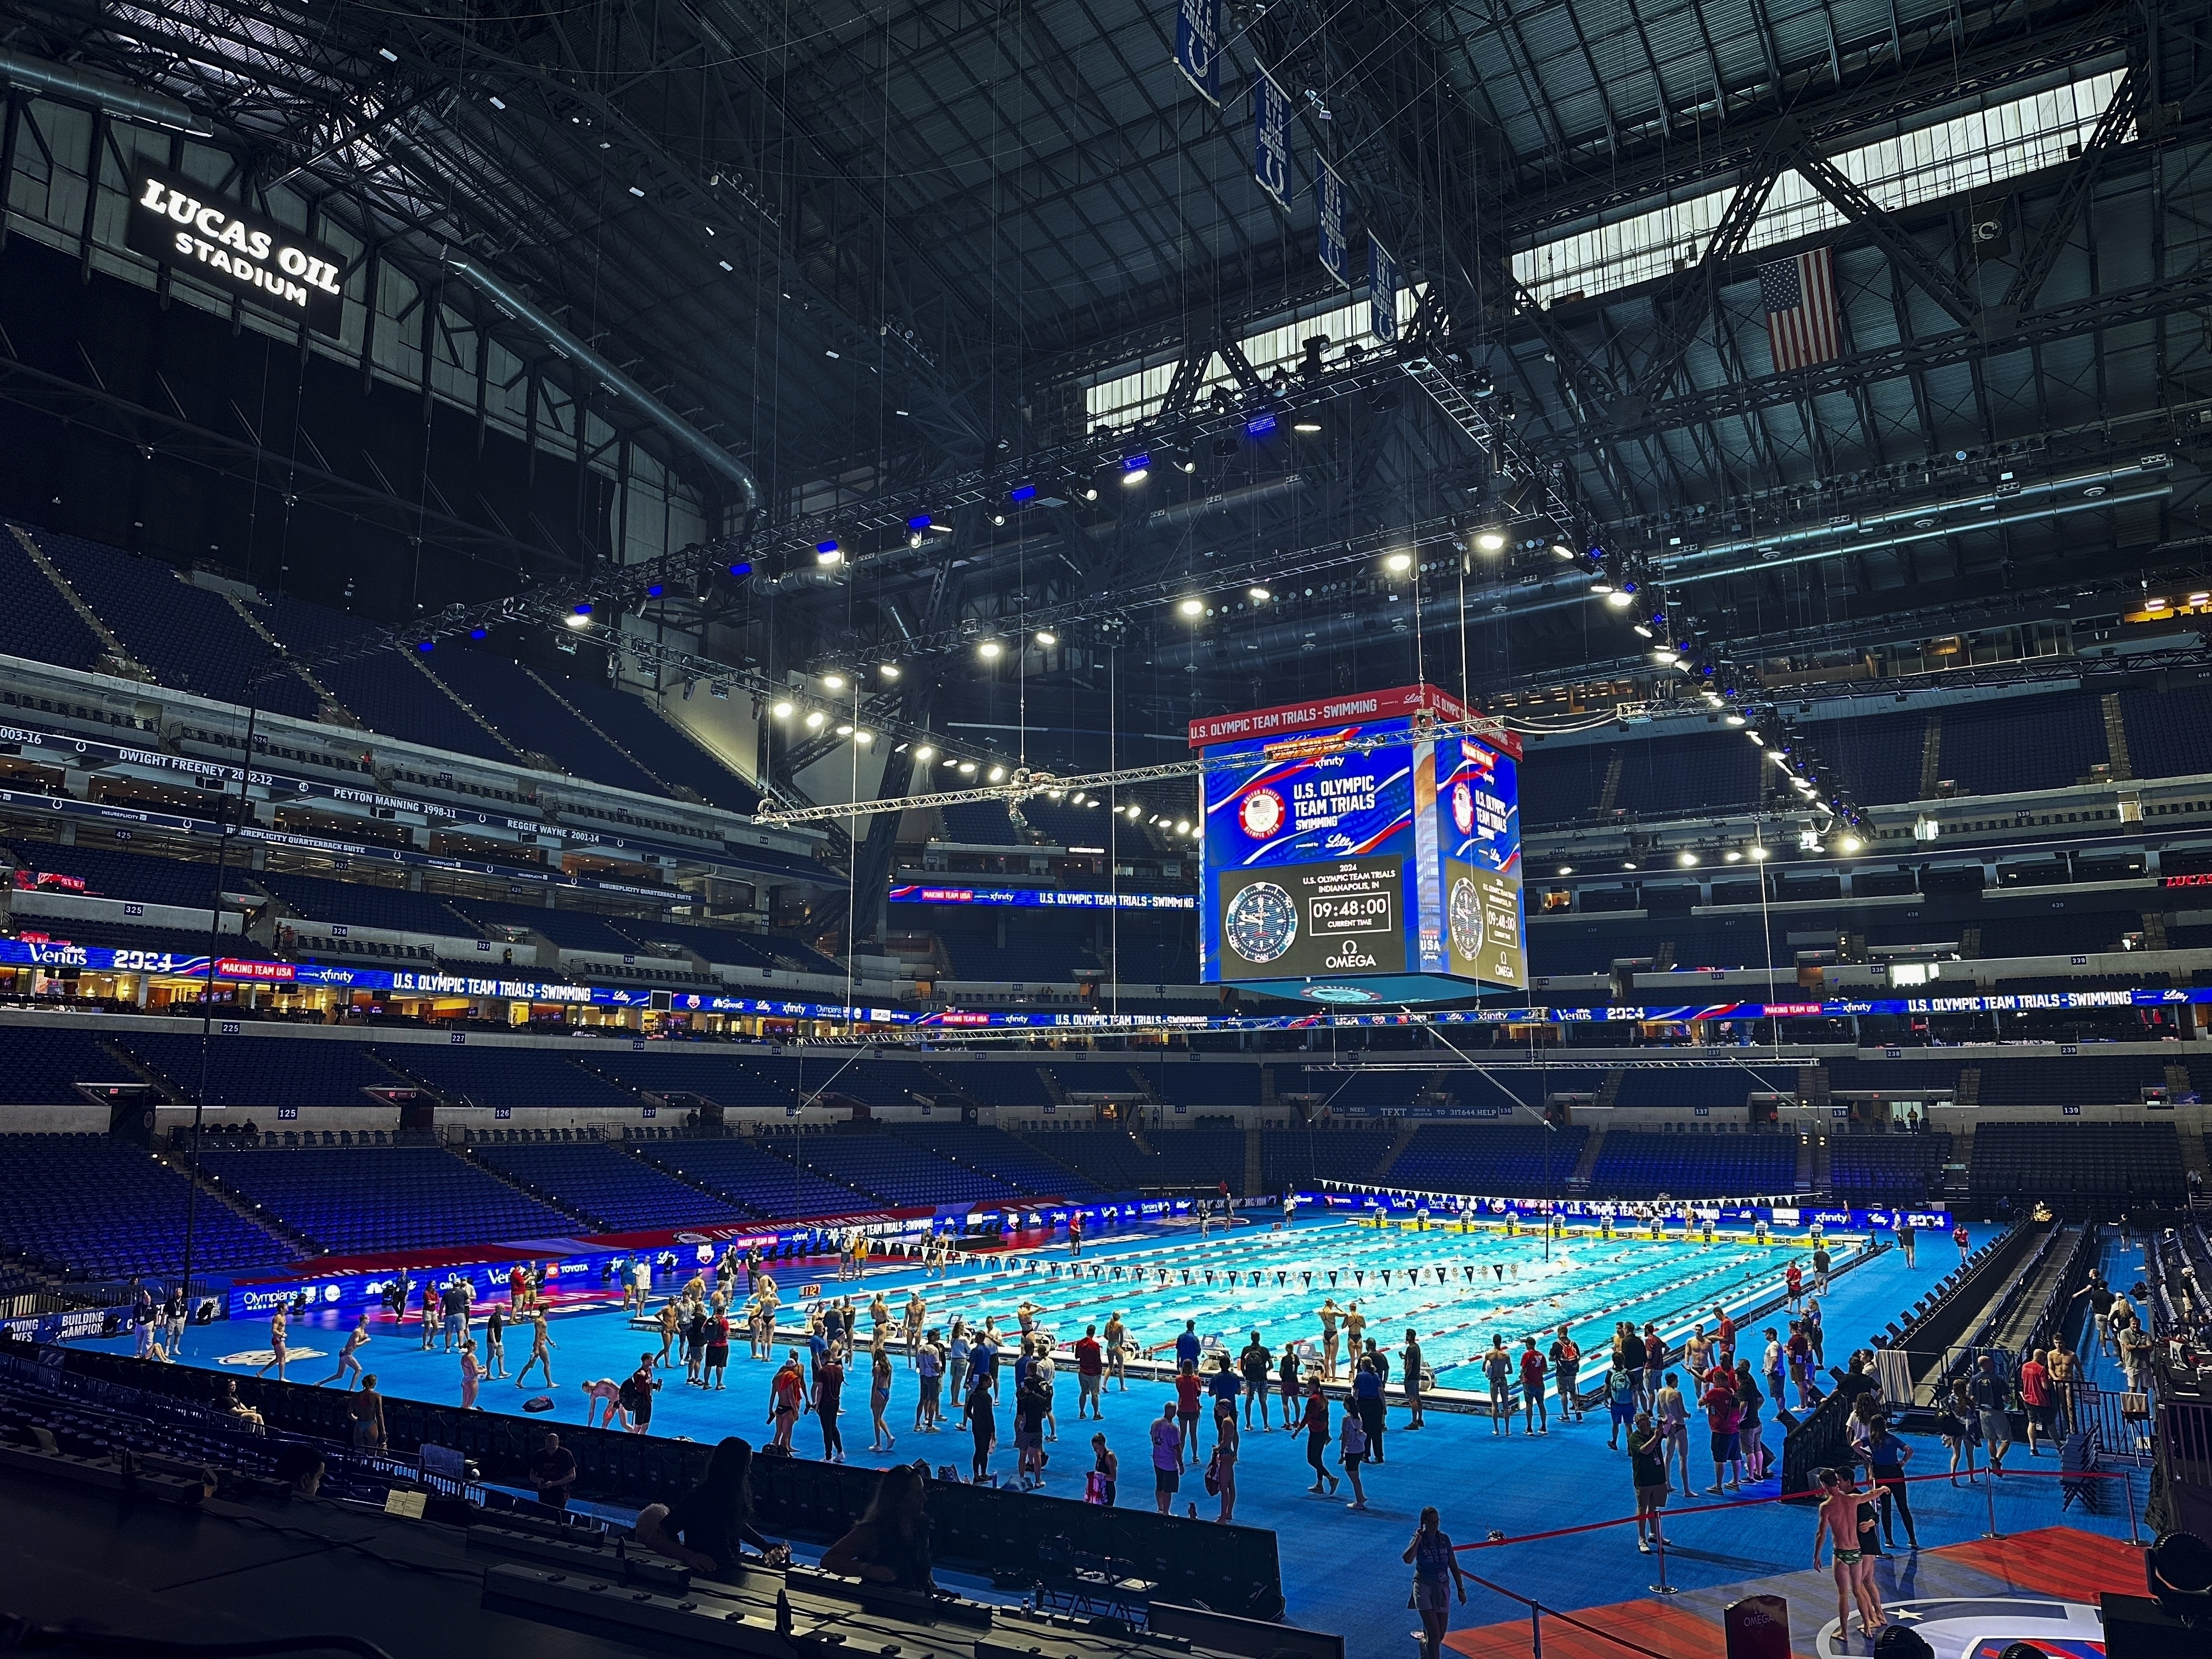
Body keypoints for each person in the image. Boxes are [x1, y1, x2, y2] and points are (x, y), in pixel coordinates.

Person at [821, 1464, 934, 1590]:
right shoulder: (874, 1530)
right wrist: (867, 1570)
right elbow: (829, 1560)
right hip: (883, 1603)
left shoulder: (920, 1525)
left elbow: (922, 1566)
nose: (924, 1498)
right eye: (917, 1494)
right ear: (898, 1498)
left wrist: (933, 1590)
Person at [1812, 1467, 1886, 1641]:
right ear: (1836, 1483)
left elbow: (1821, 1534)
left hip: (1841, 1553)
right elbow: (1870, 1495)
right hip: (1856, 1551)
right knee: (1859, 1589)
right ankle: (1868, 1626)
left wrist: (1817, 1556)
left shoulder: (1826, 1506)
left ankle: (1844, 1633)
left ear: (1824, 1484)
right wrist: (1883, 1490)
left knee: (1843, 1594)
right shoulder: (1852, 1499)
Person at [1404, 1506, 1468, 1659]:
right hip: (1423, 1586)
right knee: (1434, 1634)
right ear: (1424, 1522)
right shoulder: (1419, 1539)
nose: (1435, 1525)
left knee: (1440, 1635)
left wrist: (1461, 1589)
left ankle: (1424, 1646)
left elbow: (1453, 1566)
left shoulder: (1444, 1539)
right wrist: (1418, 1540)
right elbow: (1407, 1559)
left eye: (1437, 1522)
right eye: (1431, 1522)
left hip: (1442, 1587)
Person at [1865, 1417, 1918, 1550]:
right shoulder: (1892, 1439)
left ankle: (1889, 1539)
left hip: (1881, 1476)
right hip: (1895, 1474)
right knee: (1903, 1507)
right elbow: (1909, 1450)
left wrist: (1866, 1456)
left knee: (1886, 1508)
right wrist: (1903, 1462)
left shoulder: (1871, 1440)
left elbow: (1855, 1445)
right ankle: (1912, 1538)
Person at [1628, 1410, 1669, 1554]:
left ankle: (1654, 1534)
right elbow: (1646, 1451)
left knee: (1653, 1507)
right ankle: (1642, 1538)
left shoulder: (1654, 1432)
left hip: (1658, 1477)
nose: (1647, 1421)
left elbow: (1672, 1431)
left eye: (1647, 1418)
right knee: (1642, 1508)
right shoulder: (1635, 1437)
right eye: (1643, 1420)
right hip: (1643, 1479)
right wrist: (1657, 1437)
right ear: (1638, 1424)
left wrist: (1668, 1421)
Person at [1701, 1367, 1742, 1493]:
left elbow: (1700, 1402)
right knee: (1736, 1457)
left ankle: (1718, 1486)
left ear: (1717, 1381)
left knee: (1719, 1459)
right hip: (1734, 1429)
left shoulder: (1715, 1392)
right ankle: (1735, 1482)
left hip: (1720, 1431)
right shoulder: (1731, 1391)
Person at [1970, 1353, 2011, 1475]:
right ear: (1986, 1364)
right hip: (1997, 1412)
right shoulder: (1998, 1379)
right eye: (1991, 1362)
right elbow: (2005, 1398)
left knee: (1991, 1440)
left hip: (1983, 1412)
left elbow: (1973, 1398)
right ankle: (1997, 1460)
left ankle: (1995, 1466)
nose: (1993, 1364)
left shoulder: (1974, 1379)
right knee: (2006, 1439)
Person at [1300, 1383, 1338, 1494]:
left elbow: (1307, 1417)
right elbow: (1327, 1417)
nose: (1308, 1387)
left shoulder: (1313, 1400)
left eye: (1309, 1385)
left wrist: (1298, 1430)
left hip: (1315, 1432)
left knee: (1312, 1460)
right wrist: (1327, 1433)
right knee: (1318, 1459)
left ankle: (1331, 1479)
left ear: (1313, 1386)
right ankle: (1320, 1485)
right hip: (1323, 1431)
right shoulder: (1324, 1398)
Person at [1655, 1371, 1690, 1487]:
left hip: (1668, 1424)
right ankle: (1686, 1490)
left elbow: (1660, 1411)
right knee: (1683, 1458)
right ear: (1674, 1381)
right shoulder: (1676, 1394)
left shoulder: (1660, 1392)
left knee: (1668, 1456)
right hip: (1679, 1425)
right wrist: (1689, 1415)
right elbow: (1683, 1413)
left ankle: (1667, 1485)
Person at [1942, 1377, 1980, 1482]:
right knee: (1970, 1455)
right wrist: (1974, 1435)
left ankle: (1953, 1475)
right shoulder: (1969, 1403)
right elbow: (1972, 1420)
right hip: (1966, 1431)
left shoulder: (1947, 1400)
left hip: (1955, 1431)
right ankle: (1971, 1478)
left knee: (1956, 1454)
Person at [967, 1349, 996, 1482]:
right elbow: (989, 1415)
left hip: (976, 1426)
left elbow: (968, 1411)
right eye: (990, 1381)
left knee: (978, 1450)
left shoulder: (974, 1394)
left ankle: (977, 1474)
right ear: (984, 1383)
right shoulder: (987, 1397)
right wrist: (993, 1430)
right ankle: (982, 1474)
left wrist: (974, 1418)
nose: (991, 1383)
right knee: (983, 1452)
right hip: (984, 1427)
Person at [2019, 1349, 2056, 1455]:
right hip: (2041, 1401)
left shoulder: (2025, 1366)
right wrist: (2050, 1380)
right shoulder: (2041, 1369)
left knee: (2032, 1422)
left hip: (2029, 1400)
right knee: (2050, 1423)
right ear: (2040, 1358)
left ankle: (2033, 1448)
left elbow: (2024, 1381)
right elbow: (2046, 1387)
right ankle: (2059, 1445)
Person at [767, 1350, 805, 1451]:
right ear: (793, 1367)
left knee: (778, 1433)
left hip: (779, 1408)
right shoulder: (790, 1378)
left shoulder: (776, 1378)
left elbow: (773, 1396)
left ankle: (774, 1451)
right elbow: (791, 1397)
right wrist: (796, 1411)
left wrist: (771, 1409)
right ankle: (785, 1454)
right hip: (788, 1409)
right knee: (786, 1434)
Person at [529, 1430, 577, 1510]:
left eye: (553, 1447)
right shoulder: (539, 1454)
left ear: (558, 1443)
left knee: (558, 1514)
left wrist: (555, 1483)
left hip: (560, 1493)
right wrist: (538, 1480)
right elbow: (531, 1475)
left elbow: (572, 1476)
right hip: (544, 1493)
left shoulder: (566, 1454)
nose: (550, 1450)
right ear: (545, 1442)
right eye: (548, 1447)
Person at [815, 1346, 848, 1462]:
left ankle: (828, 1457)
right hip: (835, 1402)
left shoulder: (823, 1371)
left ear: (824, 1359)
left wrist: (817, 1405)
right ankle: (840, 1451)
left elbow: (820, 1390)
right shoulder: (839, 1370)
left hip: (826, 1403)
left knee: (827, 1430)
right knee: (833, 1426)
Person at [1150, 1399, 1183, 1513]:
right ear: (1174, 1412)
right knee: (1167, 1491)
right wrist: (1181, 1464)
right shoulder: (1173, 1428)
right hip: (1169, 1464)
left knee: (1159, 1486)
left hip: (1157, 1460)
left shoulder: (1155, 1423)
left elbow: (1152, 1438)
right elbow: (1176, 1449)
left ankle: (1160, 1508)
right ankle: (1166, 1513)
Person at [1339, 1391, 1370, 1511]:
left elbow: (1345, 1437)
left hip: (1352, 1450)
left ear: (1347, 1405)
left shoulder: (1346, 1419)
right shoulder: (1358, 1417)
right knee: (1350, 1470)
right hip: (1360, 1449)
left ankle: (1360, 1501)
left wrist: (1342, 1453)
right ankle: (1361, 1496)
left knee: (1355, 1477)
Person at [1209, 1403, 1239, 1522]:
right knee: (1231, 1486)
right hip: (1229, 1456)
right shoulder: (1229, 1420)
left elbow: (1225, 1442)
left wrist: (1217, 1449)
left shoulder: (1226, 1422)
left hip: (1225, 1456)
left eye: (1218, 1409)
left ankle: (1223, 1518)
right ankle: (1229, 1513)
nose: (1217, 1411)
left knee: (1223, 1487)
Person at [321, 1317, 370, 1388]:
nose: (369, 1320)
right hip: (346, 1354)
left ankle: (319, 1383)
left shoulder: (362, 1330)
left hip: (344, 1353)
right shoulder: (357, 1331)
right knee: (359, 1370)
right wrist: (366, 1341)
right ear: (363, 1321)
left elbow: (356, 1342)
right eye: (368, 1319)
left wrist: (364, 1338)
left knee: (339, 1375)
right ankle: (351, 1390)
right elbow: (355, 1345)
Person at [1239, 1331, 1272, 1430]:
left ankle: (1248, 1424)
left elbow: (1241, 1367)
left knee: (1248, 1401)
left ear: (1251, 1338)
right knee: (1263, 1402)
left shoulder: (1246, 1350)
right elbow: (1271, 1365)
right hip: (1262, 1381)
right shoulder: (1264, 1350)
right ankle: (1266, 1425)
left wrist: (1246, 1375)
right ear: (1259, 1338)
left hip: (1250, 1380)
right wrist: (1265, 1372)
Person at [622, 1352, 661, 1436]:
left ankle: (642, 1442)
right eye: (651, 1360)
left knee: (645, 1426)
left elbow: (648, 1384)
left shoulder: (649, 1371)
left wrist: (655, 1386)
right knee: (638, 1428)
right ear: (646, 1361)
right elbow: (639, 1389)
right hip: (641, 1404)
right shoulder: (638, 1374)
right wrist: (642, 1378)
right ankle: (633, 1442)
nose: (653, 1361)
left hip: (649, 1402)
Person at [1547, 1326, 1579, 1426]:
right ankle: (1577, 1410)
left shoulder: (1556, 1345)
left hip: (1562, 1373)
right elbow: (1579, 1357)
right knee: (1573, 1391)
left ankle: (1565, 1415)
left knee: (1563, 1393)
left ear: (1559, 1332)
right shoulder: (1574, 1344)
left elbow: (1550, 1359)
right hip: (1573, 1373)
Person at [1173, 1361, 1203, 1466]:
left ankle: (1180, 1457)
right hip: (1193, 1409)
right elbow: (1199, 1393)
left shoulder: (1178, 1379)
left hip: (1182, 1408)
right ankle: (1195, 1457)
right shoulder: (1196, 1379)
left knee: (1182, 1435)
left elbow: (1180, 1392)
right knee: (1193, 1434)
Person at [1482, 1335, 1513, 1437]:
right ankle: (1507, 1431)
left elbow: (1483, 1369)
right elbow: (1511, 1371)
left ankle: (1496, 1430)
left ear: (1493, 1342)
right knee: (1506, 1406)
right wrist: (1503, 1372)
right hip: (1503, 1380)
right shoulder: (1506, 1355)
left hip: (1494, 1380)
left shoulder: (1489, 1355)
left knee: (1494, 1405)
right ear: (1501, 1342)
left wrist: (1490, 1369)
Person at [1519, 1336, 1549, 1436]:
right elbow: (1545, 1370)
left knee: (1529, 1405)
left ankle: (1529, 1428)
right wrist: (1537, 1372)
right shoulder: (1541, 1355)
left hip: (1529, 1384)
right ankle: (1544, 1427)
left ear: (1528, 1345)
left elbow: (1524, 1369)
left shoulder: (1527, 1355)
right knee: (1541, 1404)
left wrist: (1521, 1377)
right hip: (1540, 1383)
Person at [516, 1313, 555, 1389]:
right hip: (540, 1344)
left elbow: (543, 1333)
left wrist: (550, 1341)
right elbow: (537, 1335)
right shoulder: (539, 1321)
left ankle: (519, 1381)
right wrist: (537, 1349)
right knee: (546, 1363)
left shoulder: (543, 1320)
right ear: (545, 1310)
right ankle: (550, 1383)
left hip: (541, 1343)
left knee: (530, 1364)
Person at [1606, 1357, 1637, 1451]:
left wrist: (1605, 1400)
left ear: (1614, 1362)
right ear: (1624, 1361)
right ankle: (1630, 1448)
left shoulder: (1610, 1373)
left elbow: (1606, 1389)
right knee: (1629, 1425)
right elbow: (1637, 1387)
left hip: (1616, 1404)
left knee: (1615, 1424)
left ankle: (1614, 1442)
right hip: (1628, 1403)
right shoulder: (1629, 1373)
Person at [870, 1345, 896, 1453]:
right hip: (886, 1392)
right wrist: (888, 1393)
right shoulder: (889, 1367)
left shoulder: (877, 1369)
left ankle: (879, 1445)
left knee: (876, 1420)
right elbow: (889, 1382)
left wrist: (872, 1399)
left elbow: (875, 1385)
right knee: (880, 1417)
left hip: (879, 1392)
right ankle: (889, 1436)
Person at [347, 1374, 383, 1449]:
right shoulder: (377, 1396)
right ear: (374, 1384)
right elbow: (379, 1414)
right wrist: (383, 1430)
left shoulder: (355, 1396)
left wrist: (357, 1419)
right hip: (371, 1425)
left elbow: (349, 1414)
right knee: (372, 1453)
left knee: (359, 1453)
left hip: (359, 1425)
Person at [1077, 1325, 1107, 1420]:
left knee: (1083, 1392)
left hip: (1082, 1372)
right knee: (1095, 1394)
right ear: (1093, 1333)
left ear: (1087, 1331)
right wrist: (1099, 1372)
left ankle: (1082, 1413)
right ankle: (1096, 1414)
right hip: (1093, 1373)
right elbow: (1097, 1360)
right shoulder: (1095, 1345)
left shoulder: (1079, 1343)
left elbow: (1077, 1356)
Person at [256, 1307, 289, 1381]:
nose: (288, 1307)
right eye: (286, 1306)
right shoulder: (278, 1318)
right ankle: (281, 1378)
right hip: (277, 1340)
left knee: (278, 1359)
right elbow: (274, 1330)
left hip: (280, 1339)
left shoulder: (284, 1316)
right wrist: (282, 1335)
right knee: (282, 1359)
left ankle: (261, 1372)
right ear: (282, 1308)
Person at [1089, 1432, 1118, 1506]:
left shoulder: (1110, 1457)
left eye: (1096, 1448)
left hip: (1108, 1491)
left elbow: (1113, 1478)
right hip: (1100, 1489)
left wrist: (1098, 1476)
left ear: (1102, 1444)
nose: (1094, 1450)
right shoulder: (1099, 1455)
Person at [1278, 1343, 1301, 1430]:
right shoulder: (1297, 1358)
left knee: (1285, 1403)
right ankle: (1297, 1422)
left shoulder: (1285, 1359)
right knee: (1296, 1402)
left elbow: (1281, 1372)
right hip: (1295, 1382)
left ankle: (1288, 1423)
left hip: (1286, 1382)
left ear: (1286, 1349)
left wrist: (1283, 1378)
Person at [460, 1338, 485, 1410]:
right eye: (476, 1345)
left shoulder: (464, 1357)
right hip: (472, 1382)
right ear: (472, 1347)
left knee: (465, 1405)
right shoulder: (472, 1358)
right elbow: (476, 1372)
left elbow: (468, 1367)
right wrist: (484, 1371)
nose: (477, 1346)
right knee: (468, 1406)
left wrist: (478, 1367)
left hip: (465, 1380)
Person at [485, 1305, 507, 1379]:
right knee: (491, 1357)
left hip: (499, 1341)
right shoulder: (493, 1318)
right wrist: (494, 1342)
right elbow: (491, 1331)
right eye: (503, 1309)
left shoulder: (499, 1317)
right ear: (498, 1309)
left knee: (501, 1355)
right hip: (492, 1342)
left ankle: (501, 1372)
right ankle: (488, 1375)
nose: (504, 1310)